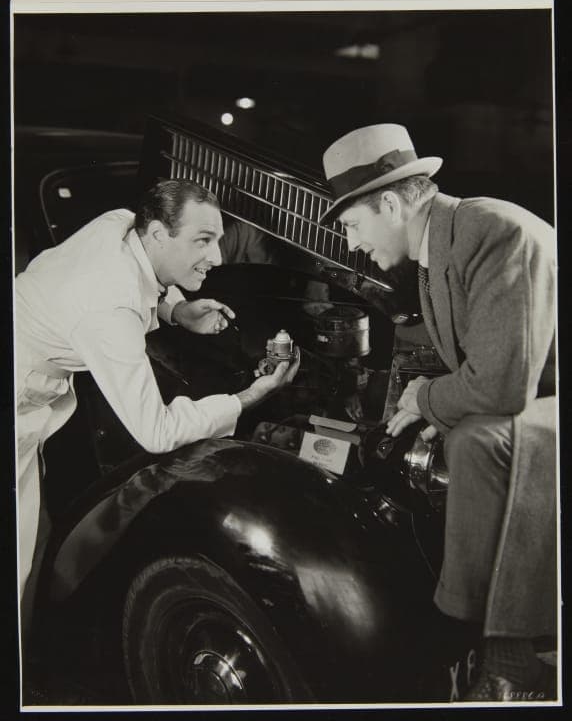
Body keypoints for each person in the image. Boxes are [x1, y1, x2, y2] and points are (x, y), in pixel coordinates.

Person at [319, 123, 557, 702]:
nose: (351, 245)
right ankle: (478, 638)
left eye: (352, 226)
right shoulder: (437, 250)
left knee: (478, 441)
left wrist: (424, 399)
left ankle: (497, 655)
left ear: (393, 202)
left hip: (539, 398)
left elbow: (502, 387)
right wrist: (424, 397)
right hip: (538, 392)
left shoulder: (492, 231)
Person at [15, 178, 300, 608]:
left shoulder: (120, 223)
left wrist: (176, 309)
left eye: (219, 240)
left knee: (35, 538)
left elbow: (141, 270)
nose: (217, 257)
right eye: (202, 240)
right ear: (157, 234)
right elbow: (158, 432)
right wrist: (248, 397)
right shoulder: (110, 310)